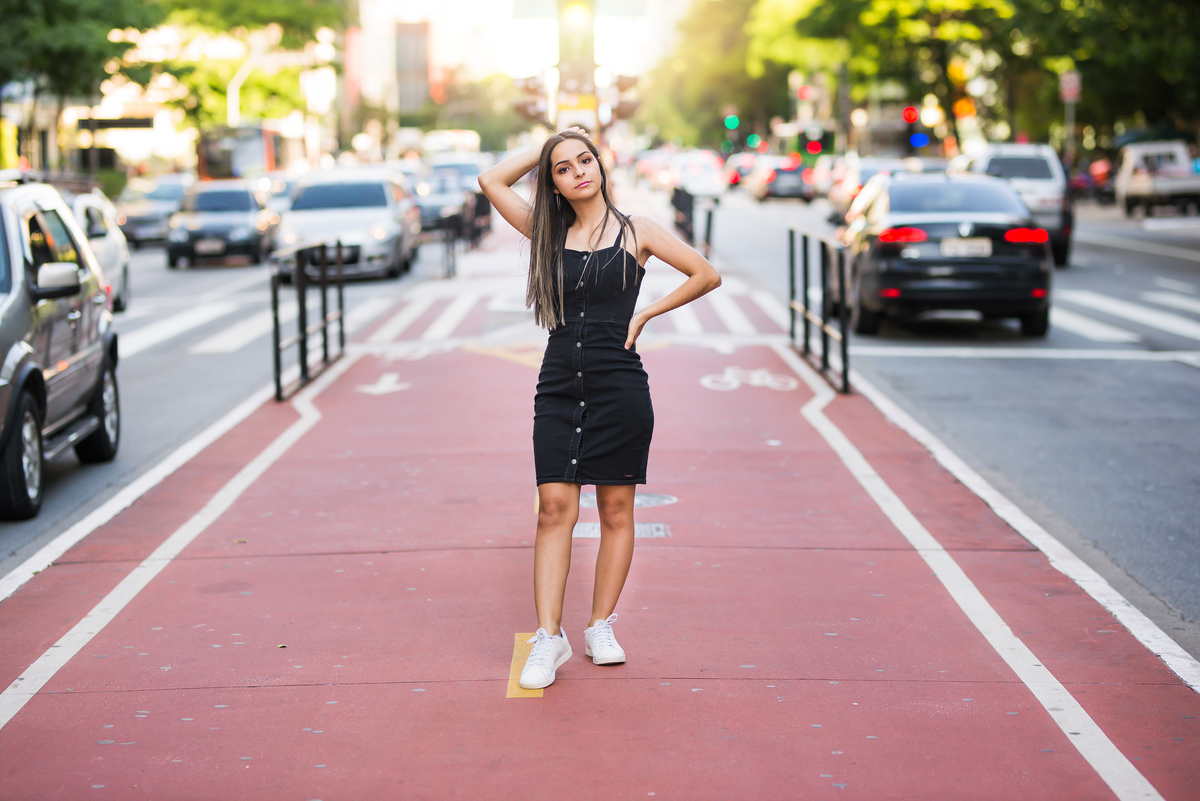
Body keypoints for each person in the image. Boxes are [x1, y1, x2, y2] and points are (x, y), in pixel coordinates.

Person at [479, 129, 721, 690]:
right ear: (554, 184)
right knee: (553, 508)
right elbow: (491, 180)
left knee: (615, 510)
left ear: (601, 165)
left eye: (584, 160)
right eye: (562, 168)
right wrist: (550, 141)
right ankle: (548, 637)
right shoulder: (546, 232)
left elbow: (706, 274)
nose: (578, 172)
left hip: (620, 386)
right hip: (559, 385)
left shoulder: (640, 231)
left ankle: (599, 626)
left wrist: (647, 313)